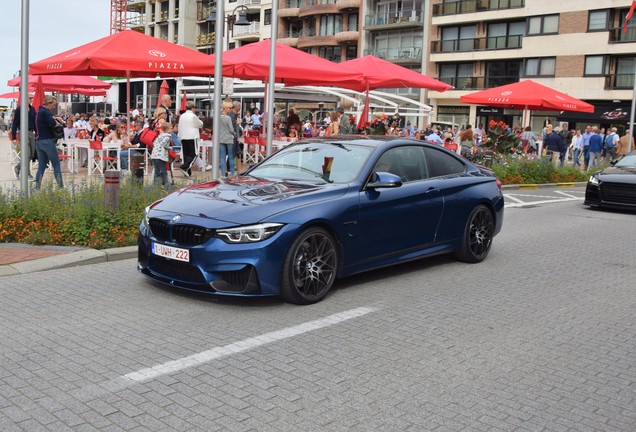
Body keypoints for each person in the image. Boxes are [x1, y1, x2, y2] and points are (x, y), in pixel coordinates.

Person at [34, 95, 64, 190]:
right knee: (56, 165)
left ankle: (37, 187)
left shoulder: (38, 111)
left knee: (41, 166)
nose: (54, 107)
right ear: (49, 103)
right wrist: (58, 121)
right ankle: (61, 187)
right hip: (47, 141)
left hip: (39, 141)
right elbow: (53, 123)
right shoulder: (46, 112)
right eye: (53, 105)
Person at [10, 93, 36, 180]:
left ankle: (17, 168)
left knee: (31, 154)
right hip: (23, 131)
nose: (32, 100)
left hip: (31, 132)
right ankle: (27, 173)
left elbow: (34, 122)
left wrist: (38, 133)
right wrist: (14, 137)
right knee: (27, 154)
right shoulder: (19, 109)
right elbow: (15, 123)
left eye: (32, 98)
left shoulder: (32, 109)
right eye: (30, 98)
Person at [177, 101, 203, 178]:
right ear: (192, 108)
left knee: (186, 155)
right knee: (194, 154)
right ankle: (184, 167)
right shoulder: (193, 116)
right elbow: (200, 124)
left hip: (183, 137)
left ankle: (188, 172)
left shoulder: (182, 116)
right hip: (192, 137)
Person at [150, 122, 173, 187]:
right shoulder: (167, 137)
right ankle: (167, 185)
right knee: (163, 171)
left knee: (157, 171)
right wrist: (169, 148)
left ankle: (156, 184)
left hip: (154, 155)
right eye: (171, 128)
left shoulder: (159, 136)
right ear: (167, 130)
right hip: (160, 156)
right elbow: (164, 144)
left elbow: (154, 143)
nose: (172, 130)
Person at [219, 101, 237, 176]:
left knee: (222, 157)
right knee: (230, 156)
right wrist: (235, 134)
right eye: (229, 108)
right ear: (225, 108)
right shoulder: (228, 118)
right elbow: (231, 129)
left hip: (221, 138)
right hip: (229, 138)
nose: (230, 109)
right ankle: (232, 172)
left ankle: (223, 172)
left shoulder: (218, 117)